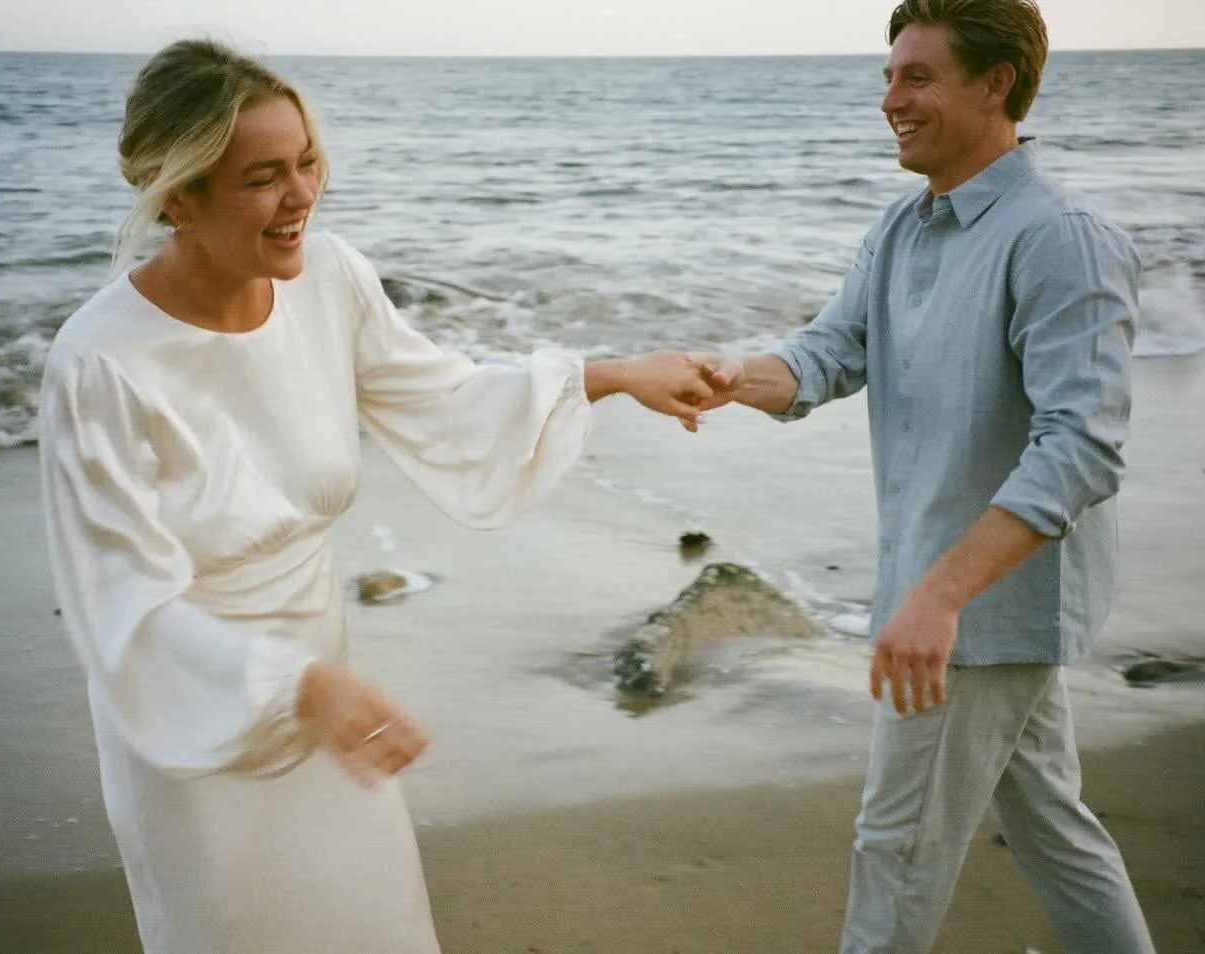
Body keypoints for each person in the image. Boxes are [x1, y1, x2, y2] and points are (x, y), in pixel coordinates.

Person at [37, 39, 728, 954]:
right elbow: (121, 609)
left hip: (333, 702)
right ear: (179, 195)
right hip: (195, 724)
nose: (301, 197)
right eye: (263, 177)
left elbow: (448, 398)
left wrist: (613, 374)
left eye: (308, 163)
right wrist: (294, 689)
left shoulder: (331, 281)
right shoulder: (98, 366)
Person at [695, 1, 1156, 951]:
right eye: (889, 75)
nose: (889, 99)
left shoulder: (1057, 237)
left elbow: (1082, 447)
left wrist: (939, 597)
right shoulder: (904, 228)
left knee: (896, 851)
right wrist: (728, 376)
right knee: (1052, 828)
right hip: (953, 606)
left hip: (977, 611)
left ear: (997, 84)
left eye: (917, 77)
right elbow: (829, 351)